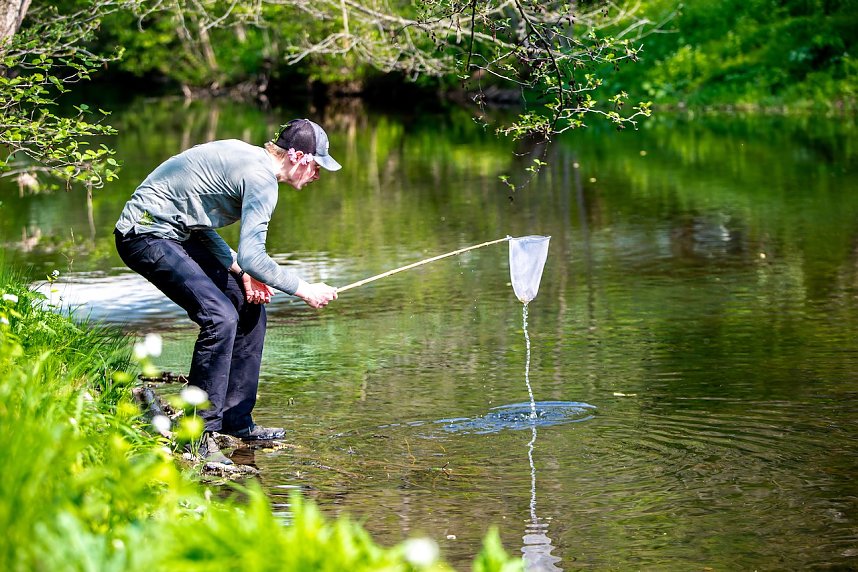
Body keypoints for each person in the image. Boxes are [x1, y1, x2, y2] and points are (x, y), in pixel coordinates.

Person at [114, 118, 340, 465]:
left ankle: (236, 419)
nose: (317, 175)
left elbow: (196, 220)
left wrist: (241, 272)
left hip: (178, 232)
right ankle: (196, 435)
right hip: (144, 234)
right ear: (298, 156)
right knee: (219, 318)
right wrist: (304, 289)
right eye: (316, 165)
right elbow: (254, 256)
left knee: (247, 304)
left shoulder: (250, 160)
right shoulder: (262, 179)